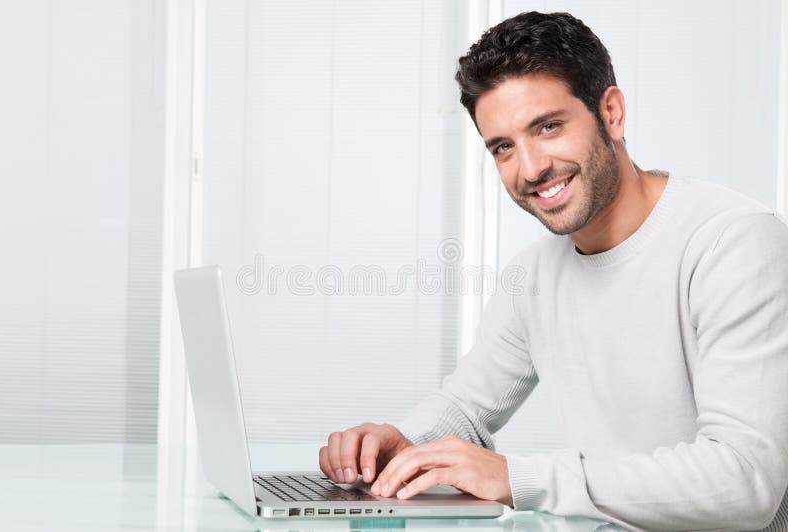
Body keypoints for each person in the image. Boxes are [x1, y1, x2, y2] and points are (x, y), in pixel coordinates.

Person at [318, 11, 788, 531]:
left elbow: (746, 481)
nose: (531, 168)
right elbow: (467, 408)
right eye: (503, 147)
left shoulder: (734, 240)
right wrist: (401, 446)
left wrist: (519, 478)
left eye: (548, 127)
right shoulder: (534, 277)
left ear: (611, 112)